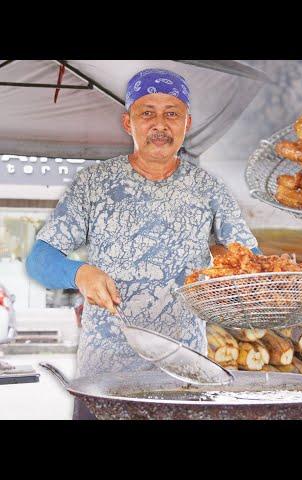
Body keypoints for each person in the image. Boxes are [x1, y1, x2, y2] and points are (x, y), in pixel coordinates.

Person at [25, 68, 260, 419]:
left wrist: (238, 281)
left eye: (172, 114)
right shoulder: (94, 184)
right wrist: (79, 273)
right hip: (102, 380)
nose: (160, 125)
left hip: (184, 382)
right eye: (147, 113)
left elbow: (252, 262)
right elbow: (38, 260)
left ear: (187, 123)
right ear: (127, 122)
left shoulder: (209, 190)